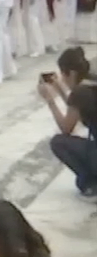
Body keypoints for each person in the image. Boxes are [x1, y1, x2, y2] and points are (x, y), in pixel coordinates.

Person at [42, 46, 97, 195]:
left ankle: (90, 184)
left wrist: (50, 101)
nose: (63, 80)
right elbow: (79, 109)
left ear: (71, 73)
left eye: (63, 76)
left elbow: (66, 128)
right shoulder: (90, 83)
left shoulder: (80, 92)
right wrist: (60, 90)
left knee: (58, 142)